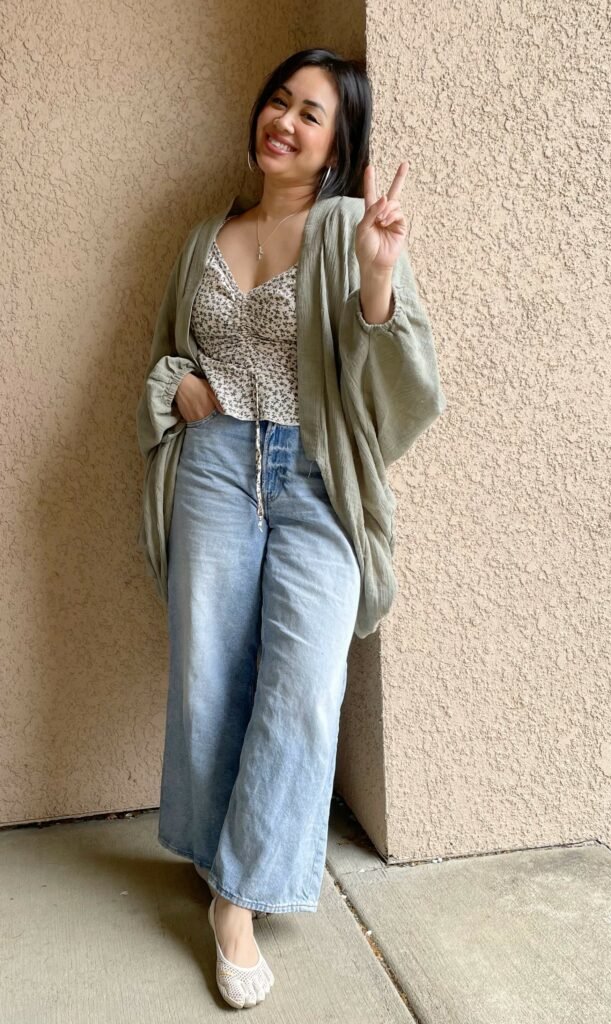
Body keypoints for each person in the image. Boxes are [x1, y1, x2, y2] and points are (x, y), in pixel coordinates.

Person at [135, 47, 446, 1010]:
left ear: (336, 141)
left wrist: (380, 279)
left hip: (314, 479)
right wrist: (178, 387)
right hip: (219, 468)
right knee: (206, 673)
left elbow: (390, 381)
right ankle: (220, 860)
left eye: (311, 113)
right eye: (278, 102)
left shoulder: (347, 226)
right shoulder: (203, 236)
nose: (286, 122)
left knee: (304, 688)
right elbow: (167, 353)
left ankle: (240, 897)